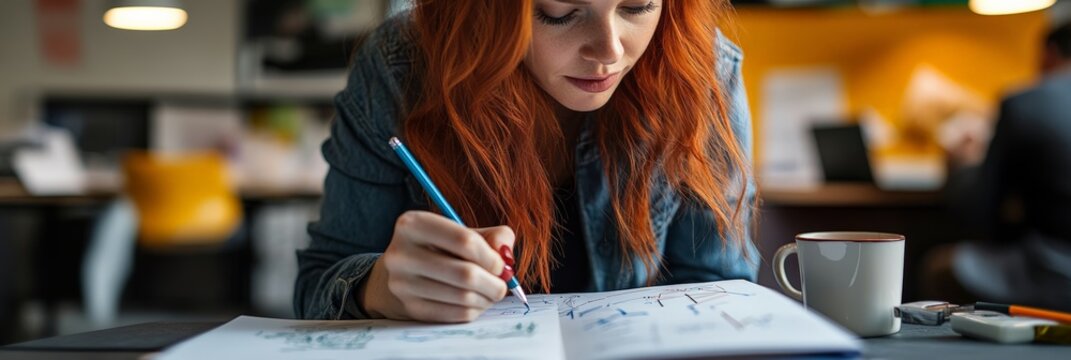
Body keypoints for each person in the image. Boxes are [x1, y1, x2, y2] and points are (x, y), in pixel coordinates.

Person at [294, 0, 758, 323]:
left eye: (637, 7)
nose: (610, 50)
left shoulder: (695, 68)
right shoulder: (403, 68)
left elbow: (720, 287)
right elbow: (316, 288)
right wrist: (378, 290)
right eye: (559, 13)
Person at [924, 22, 1071, 311]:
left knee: (940, 267)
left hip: (1055, 271)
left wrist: (962, 161)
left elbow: (977, 212)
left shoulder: (1027, 103)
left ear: (1049, 54)